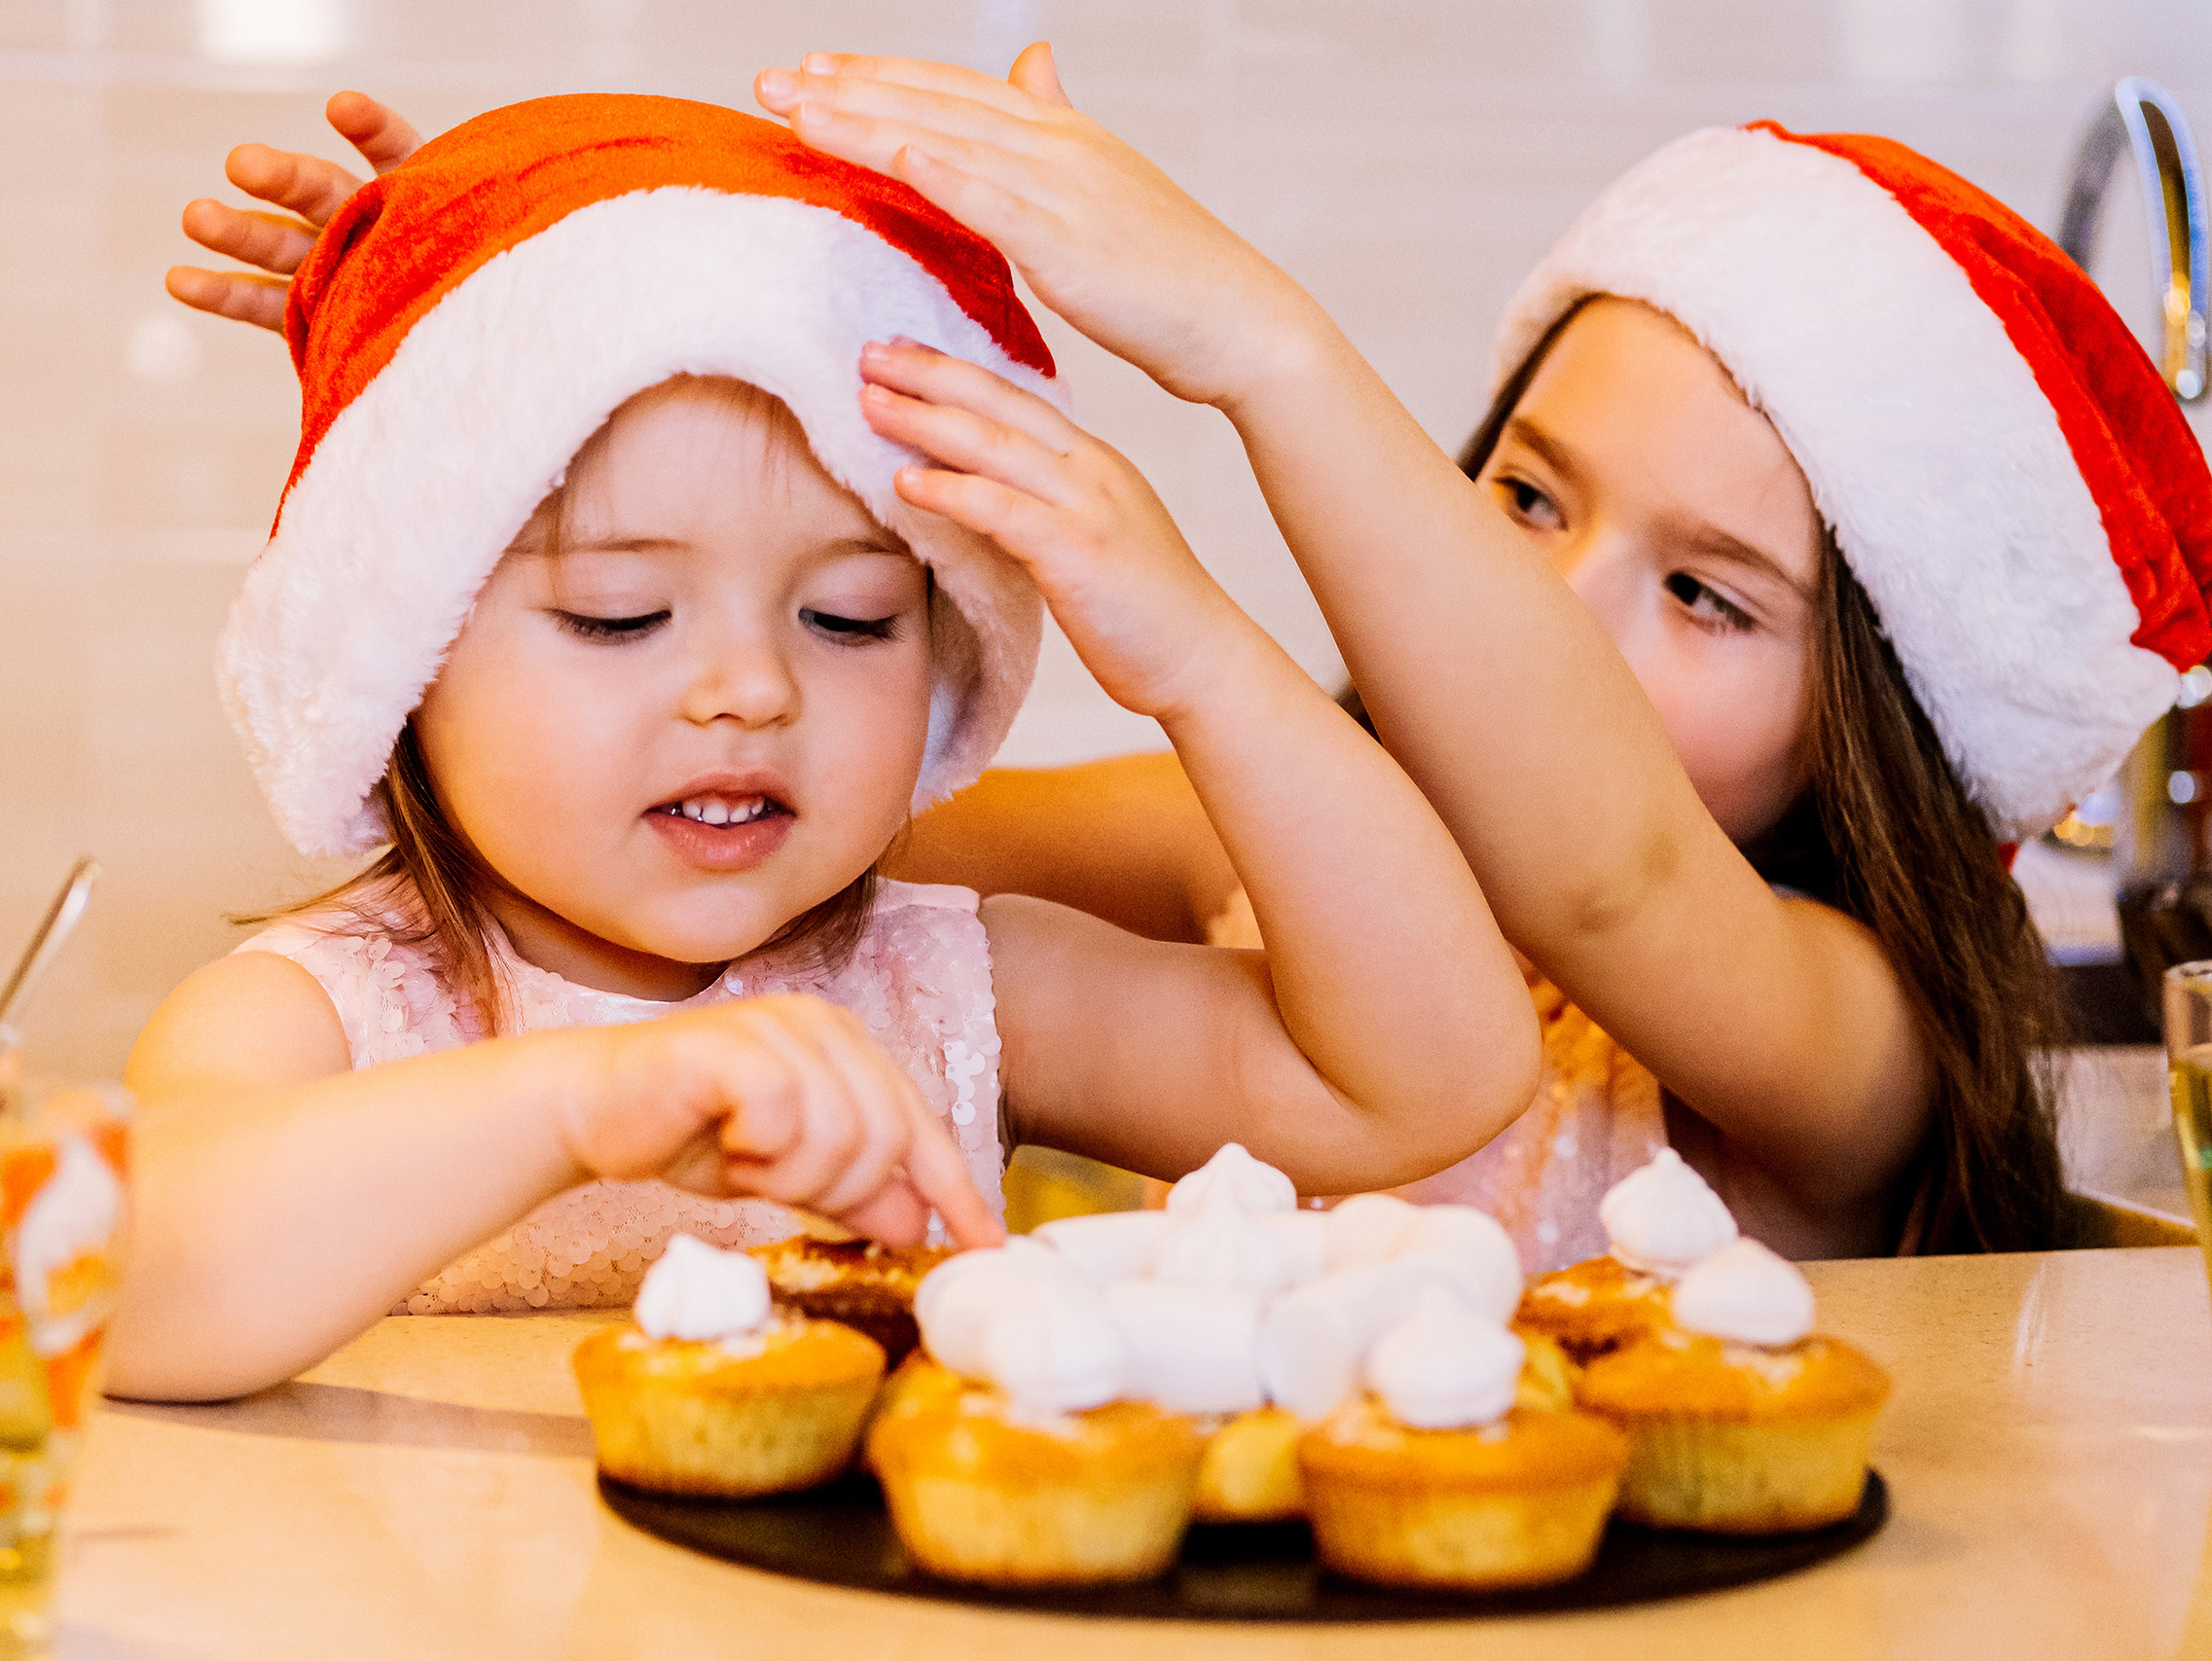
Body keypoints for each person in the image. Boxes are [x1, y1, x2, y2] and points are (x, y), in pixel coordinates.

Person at [171, 55, 2212, 1270]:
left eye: (1707, 595)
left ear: (1904, 737)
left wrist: (1252, 349)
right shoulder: (1237, 838)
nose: (1559, 610)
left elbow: (1605, 874)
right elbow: (764, 824)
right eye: (1519, 502)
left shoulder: (1850, 1031)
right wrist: (539, 344)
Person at [120, 94, 1538, 1402]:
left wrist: (1205, 663)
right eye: (622, 617)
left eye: (850, 618)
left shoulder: (952, 992)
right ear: (402, 656)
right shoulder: (326, 1013)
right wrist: (577, 1103)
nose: (749, 691)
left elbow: (1425, 1081)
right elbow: (118, 1290)